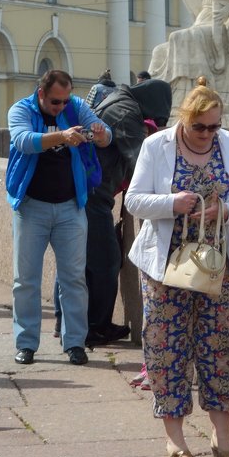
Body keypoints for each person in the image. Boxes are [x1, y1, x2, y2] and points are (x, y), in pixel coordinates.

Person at [124, 78, 229, 457]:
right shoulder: (157, 145)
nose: (207, 134)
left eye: (214, 126)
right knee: (167, 349)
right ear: (184, 121)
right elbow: (134, 200)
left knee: (220, 349)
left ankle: (223, 436)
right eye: (199, 126)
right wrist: (172, 202)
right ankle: (176, 439)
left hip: (219, 267)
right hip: (166, 269)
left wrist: (225, 210)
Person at [6, 69, 111, 366]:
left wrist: (101, 134)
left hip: (70, 207)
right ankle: (26, 343)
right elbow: (23, 140)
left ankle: (75, 343)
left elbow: (105, 134)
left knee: (74, 278)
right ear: (41, 94)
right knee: (25, 280)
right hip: (31, 207)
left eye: (65, 101)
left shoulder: (76, 106)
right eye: (55, 102)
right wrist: (61, 136)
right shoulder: (21, 109)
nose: (61, 107)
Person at [84, 78, 172, 347]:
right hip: (93, 195)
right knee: (106, 261)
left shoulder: (120, 101)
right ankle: (95, 328)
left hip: (88, 191)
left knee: (81, 262)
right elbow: (140, 163)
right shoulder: (126, 112)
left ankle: (69, 324)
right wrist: (165, 200)